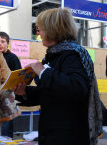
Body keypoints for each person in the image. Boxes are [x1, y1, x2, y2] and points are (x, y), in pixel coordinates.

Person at [13, 8, 103, 145]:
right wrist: (24, 92)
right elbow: (50, 94)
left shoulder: (73, 55)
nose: (39, 34)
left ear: (52, 29)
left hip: (69, 135)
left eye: (40, 29)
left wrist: (42, 71)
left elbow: (77, 89)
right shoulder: (54, 55)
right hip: (52, 133)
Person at [0, 32, 22, 138]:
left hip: (8, 97)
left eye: (3, 41)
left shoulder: (13, 58)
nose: (0, 44)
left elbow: (18, 76)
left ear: (8, 43)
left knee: (6, 130)